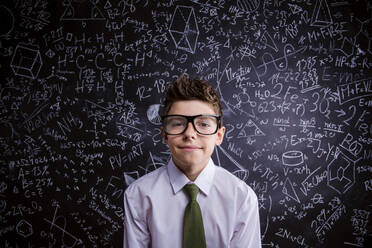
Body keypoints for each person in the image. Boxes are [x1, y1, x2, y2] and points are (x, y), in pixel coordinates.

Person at [123, 74, 261, 247]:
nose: (189, 134)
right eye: (178, 123)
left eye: (203, 124)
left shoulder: (242, 198)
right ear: (165, 135)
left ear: (219, 135)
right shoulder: (138, 196)